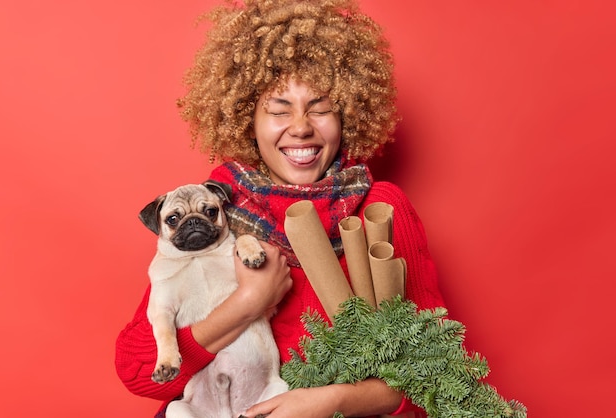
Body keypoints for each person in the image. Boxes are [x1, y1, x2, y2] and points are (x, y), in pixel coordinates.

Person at [115, 0, 446, 417]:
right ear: (244, 118)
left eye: (321, 107)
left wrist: (333, 400)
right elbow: (139, 371)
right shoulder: (220, 209)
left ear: (348, 114)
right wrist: (249, 302)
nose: (302, 126)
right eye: (278, 109)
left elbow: (438, 373)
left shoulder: (380, 211)